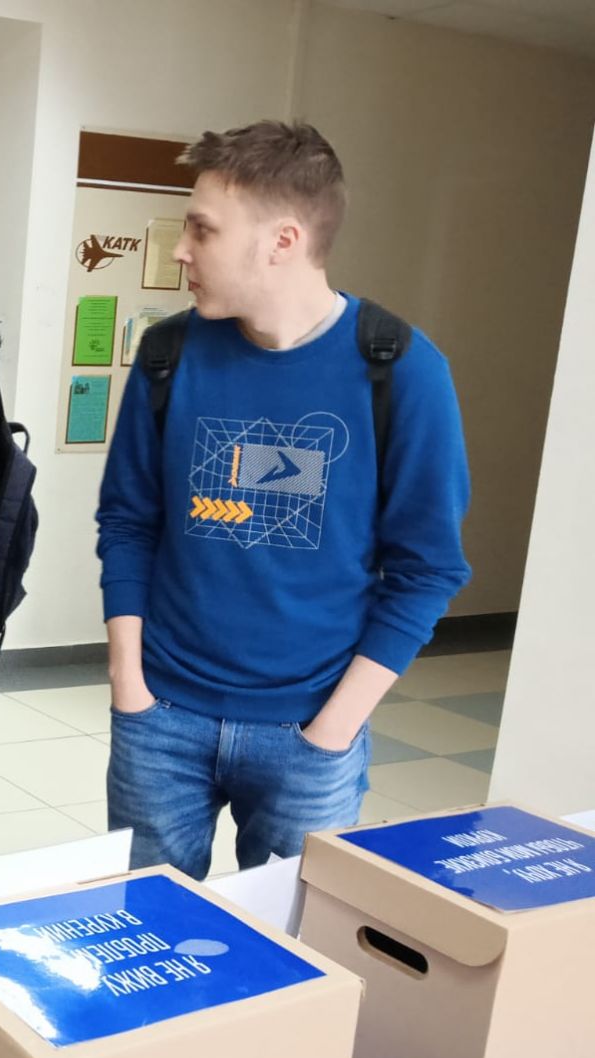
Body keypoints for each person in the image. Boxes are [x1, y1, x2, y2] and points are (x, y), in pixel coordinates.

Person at [96, 120, 471, 880]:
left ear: (283, 240)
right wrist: (128, 686)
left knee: (294, 941)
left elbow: (427, 569)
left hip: (310, 731)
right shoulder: (168, 355)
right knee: (146, 925)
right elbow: (128, 523)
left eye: (202, 230)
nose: (180, 250)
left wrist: (333, 730)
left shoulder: (402, 370)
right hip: (160, 718)